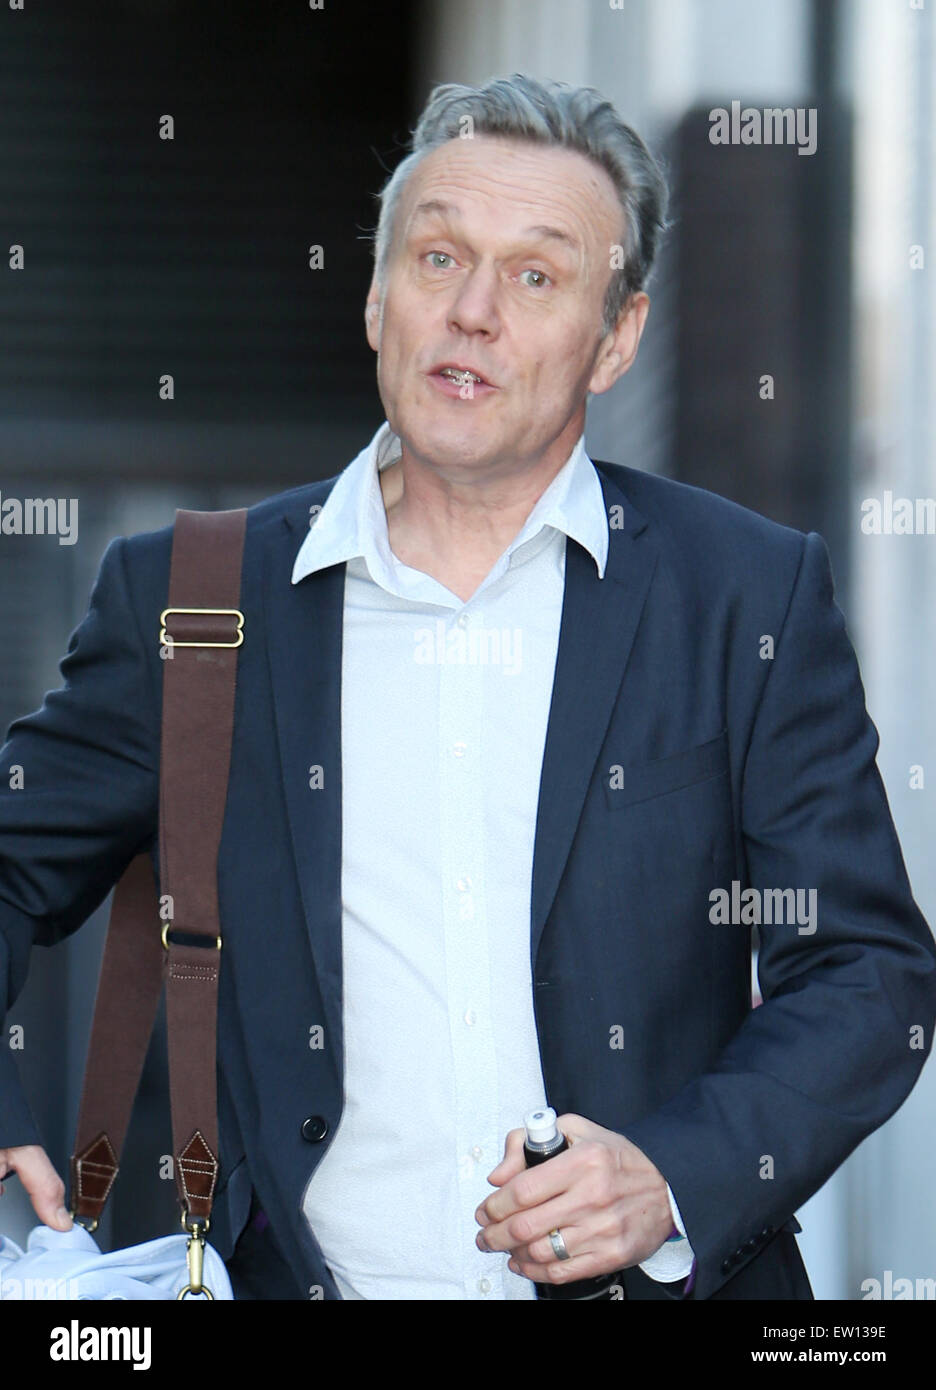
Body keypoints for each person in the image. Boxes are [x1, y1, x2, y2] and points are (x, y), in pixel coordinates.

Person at [1, 73, 935, 1301]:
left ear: (617, 339)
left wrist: (670, 1174)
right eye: (439, 258)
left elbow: (869, 974)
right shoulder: (191, 600)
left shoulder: (744, 597)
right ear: (380, 299)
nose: (475, 311)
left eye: (537, 275)